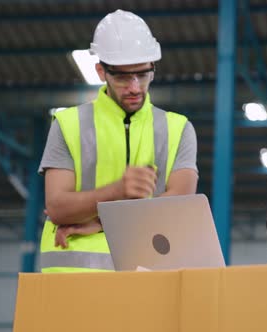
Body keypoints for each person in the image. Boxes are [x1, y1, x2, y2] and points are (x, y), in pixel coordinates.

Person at [38, 9, 198, 272]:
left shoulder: (178, 128)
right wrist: (116, 191)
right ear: (101, 71)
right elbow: (57, 207)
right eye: (123, 77)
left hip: (151, 275)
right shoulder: (68, 125)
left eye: (143, 74)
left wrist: (101, 222)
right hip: (76, 283)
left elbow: (179, 207)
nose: (135, 87)